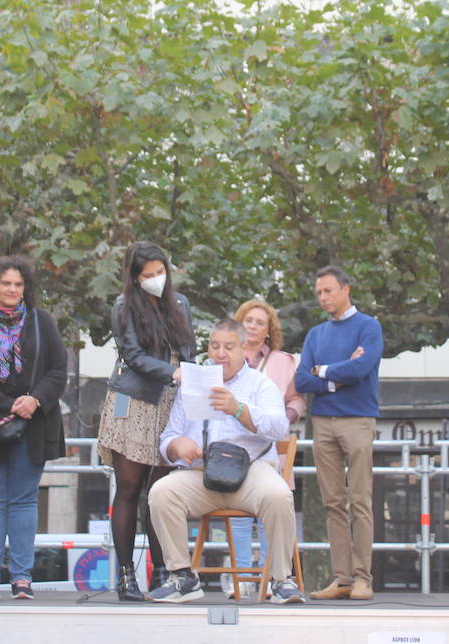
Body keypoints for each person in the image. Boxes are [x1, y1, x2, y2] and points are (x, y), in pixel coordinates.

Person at [144, 320, 303, 605]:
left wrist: (238, 409)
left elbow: (280, 427)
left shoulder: (259, 384)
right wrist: (176, 445)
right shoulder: (194, 384)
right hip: (202, 474)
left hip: (250, 471)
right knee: (161, 492)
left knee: (279, 495)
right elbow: (169, 436)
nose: (221, 353)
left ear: (243, 349)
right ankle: (182, 576)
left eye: (229, 347)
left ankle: (281, 579)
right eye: (215, 346)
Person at [0, 255, 68, 600]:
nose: (12, 289)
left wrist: (34, 400)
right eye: (6, 283)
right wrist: (9, 406)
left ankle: (21, 577)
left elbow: (58, 369)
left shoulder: (42, 322)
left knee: (23, 500)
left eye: (18, 284)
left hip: (34, 425)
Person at [97, 241, 197, 601]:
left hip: (171, 402)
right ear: (135, 277)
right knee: (128, 489)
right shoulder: (124, 306)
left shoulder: (181, 303)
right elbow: (134, 355)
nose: (156, 279)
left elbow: (190, 350)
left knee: (160, 494)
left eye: (160, 272)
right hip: (134, 400)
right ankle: (126, 576)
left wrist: (190, 373)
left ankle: (164, 573)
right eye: (147, 275)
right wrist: (173, 371)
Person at [294, 265, 383, 601]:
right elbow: (302, 380)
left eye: (328, 291)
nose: (323, 298)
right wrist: (336, 375)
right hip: (323, 422)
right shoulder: (316, 334)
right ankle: (342, 578)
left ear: (346, 289)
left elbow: (361, 369)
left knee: (360, 500)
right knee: (333, 502)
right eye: (319, 292)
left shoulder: (369, 327)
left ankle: (363, 577)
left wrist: (323, 372)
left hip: (358, 419)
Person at [225, 299, 304, 593]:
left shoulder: (284, 361)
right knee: (238, 514)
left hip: (271, 448)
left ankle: (272, 578)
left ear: (269, 330)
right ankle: (242, 579)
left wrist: (286, 417)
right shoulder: (226, 356)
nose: (254, 326)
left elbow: (296, 398)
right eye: (248, 320)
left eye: (260, 322)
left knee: (270, 509)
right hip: (233, 446)